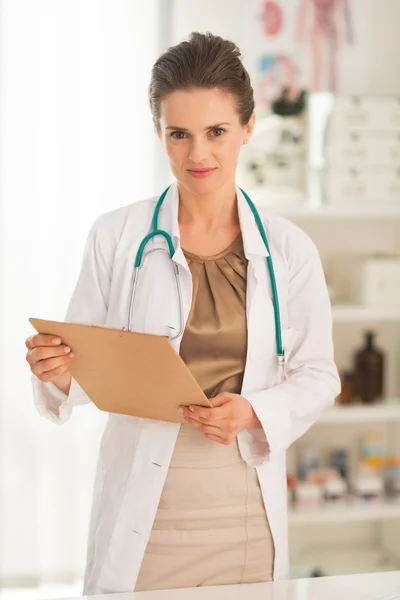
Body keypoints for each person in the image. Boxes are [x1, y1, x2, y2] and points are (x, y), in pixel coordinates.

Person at [25, 31, 340, 595]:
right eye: (180, 134)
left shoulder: (289, 249)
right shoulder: (116, 236)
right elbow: (82, 366)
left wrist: (253, 410)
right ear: (159, 135)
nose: (199, 154)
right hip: (144, 508)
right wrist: (58, 368)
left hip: (243, 501)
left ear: (247, 128)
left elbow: (318, 374)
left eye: (217, 131)